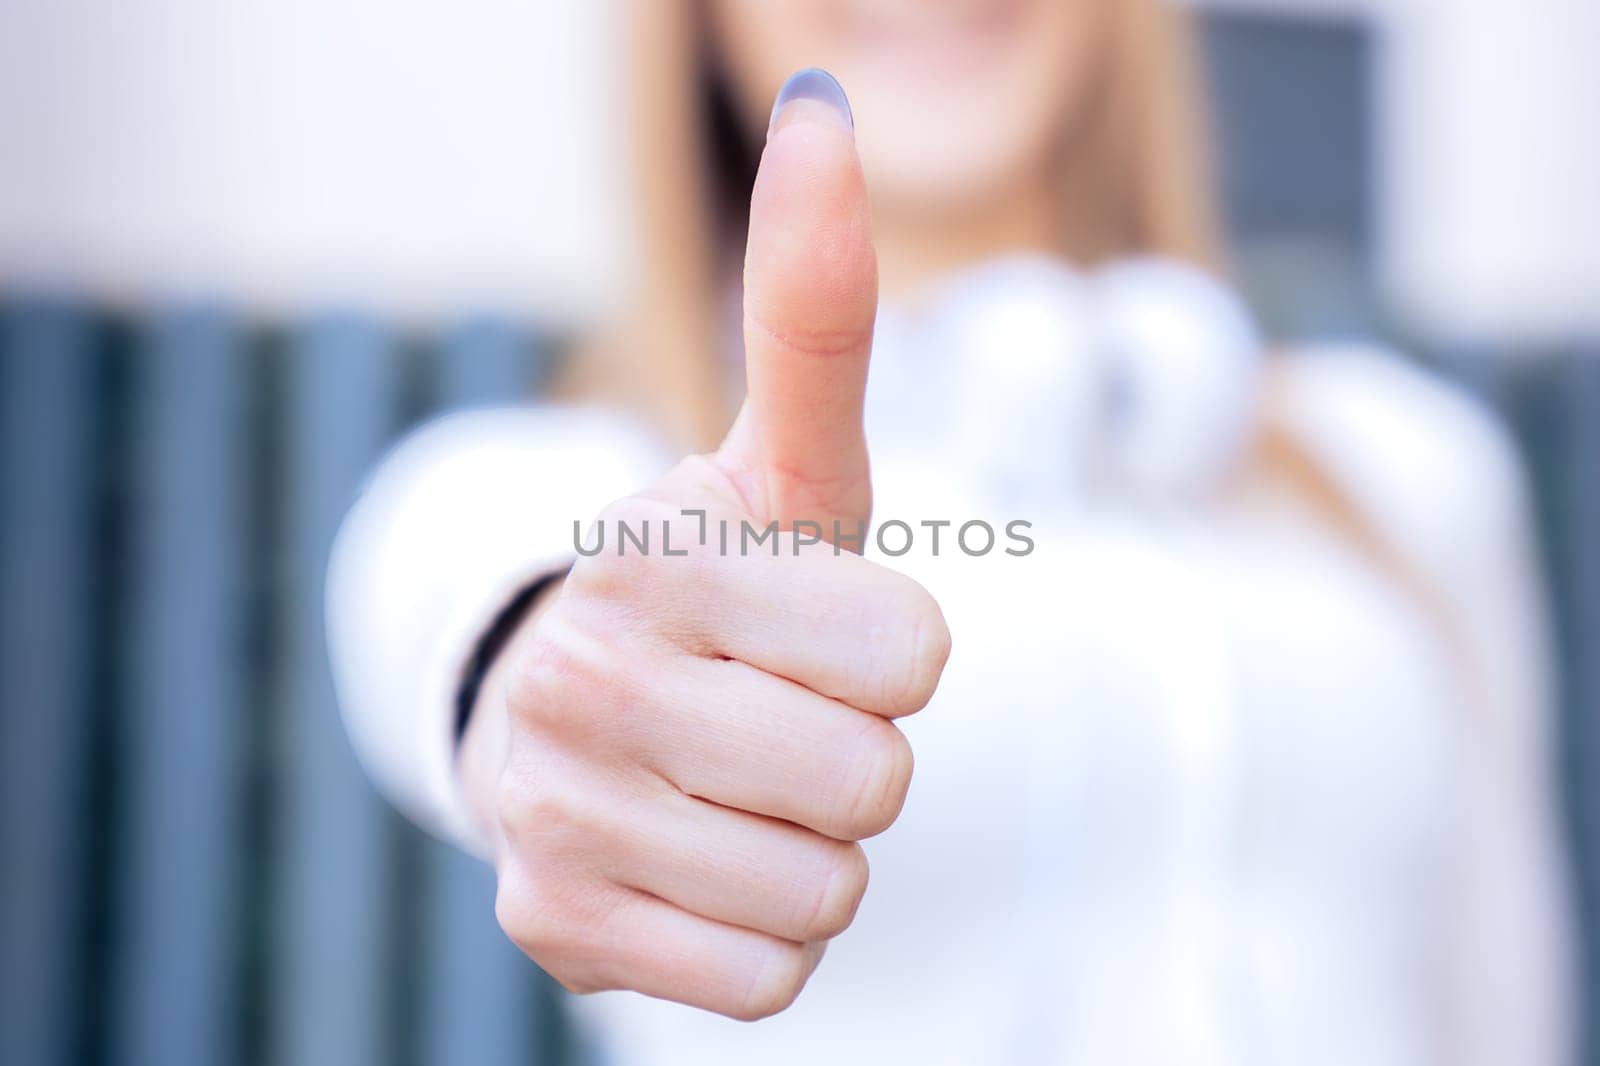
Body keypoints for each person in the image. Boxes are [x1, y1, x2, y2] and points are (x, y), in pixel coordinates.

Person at [327, 2, 1574, 1062]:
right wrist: (558, 696)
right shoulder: (570, 485)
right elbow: (493, 631)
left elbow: (1507, 1012)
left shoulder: (1407, 473)